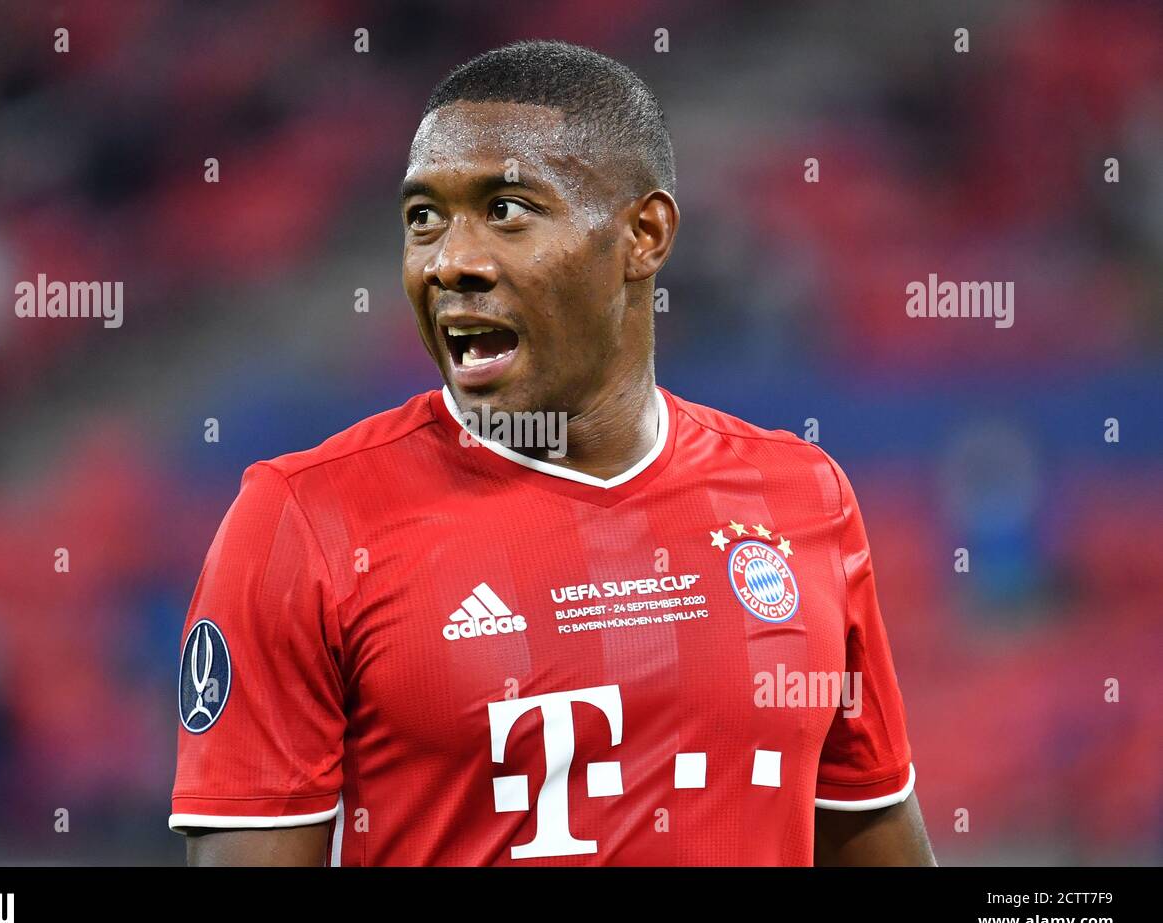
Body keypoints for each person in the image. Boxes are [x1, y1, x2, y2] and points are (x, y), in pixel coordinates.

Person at [171, 39, 935, 866]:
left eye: (506, 209)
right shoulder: (302, 521)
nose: (450, 262)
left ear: (644, 234)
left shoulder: (798, 495)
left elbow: (872, 836)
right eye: (423, 218)